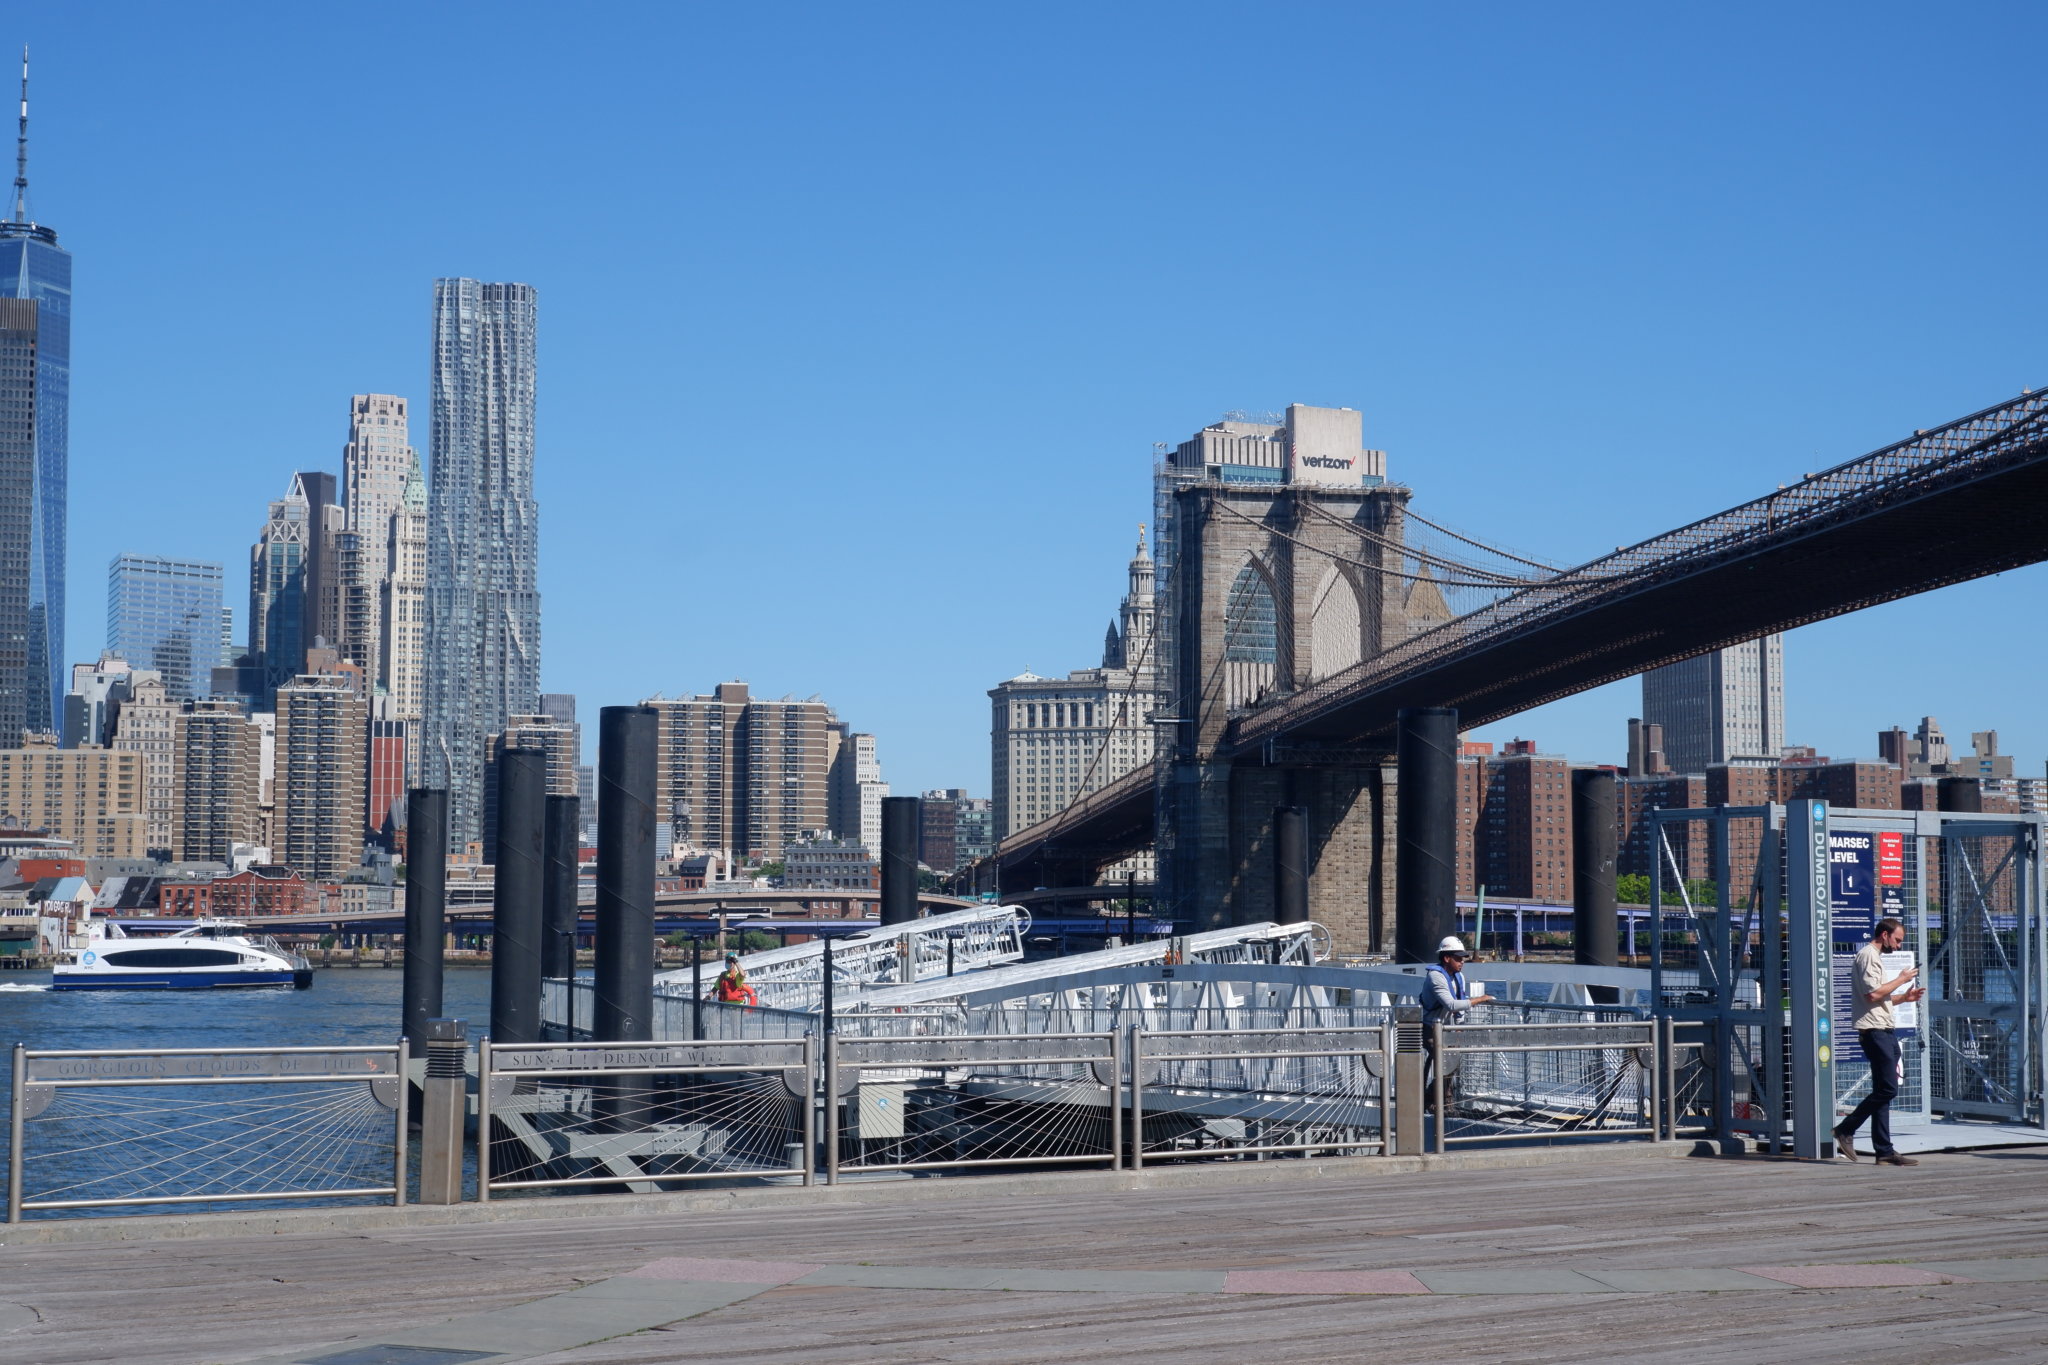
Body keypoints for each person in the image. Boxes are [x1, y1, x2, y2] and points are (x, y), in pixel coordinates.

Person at [1834, 916, 1926, 1167]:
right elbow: (1873, 993)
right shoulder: (1868, 956)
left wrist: (1904, 998)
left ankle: (1884, 1151)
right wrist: (1902, 978)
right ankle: (1845, 1129)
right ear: (1884, 935)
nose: (1897, 946)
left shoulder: (1875, 958)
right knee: (1888, 1089)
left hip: (1884, 1030)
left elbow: (1878, 998)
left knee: (1883, 1093)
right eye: (1896, 940)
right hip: (1875, 1032)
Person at [1419, 936, 1496, 1106]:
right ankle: (1443, 1100)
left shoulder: (1458, 977)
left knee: (1452, 1061)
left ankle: (1433, 1095)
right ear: (1447, 958)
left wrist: (1459, 1026)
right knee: (1447, 1060)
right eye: (1458, 958)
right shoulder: (1435, 977)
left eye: (1463, 959)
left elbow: (1460, 1000)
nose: (1462, 962)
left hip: (1447, 1030)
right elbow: (1452, 1004)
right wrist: (1480, 999)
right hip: (1430, 1028)